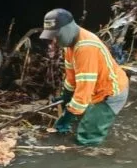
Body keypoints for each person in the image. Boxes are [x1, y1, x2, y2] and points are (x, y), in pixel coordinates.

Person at [39, 8, 129, 147]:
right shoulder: (69, 45)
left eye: (56, 35)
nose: (54, 40)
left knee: (87, 137)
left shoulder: (86, 48)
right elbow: (71, 76)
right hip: (96, 89)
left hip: (110, 93)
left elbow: (85, 89)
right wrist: (65, 96)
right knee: (80, 114)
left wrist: (67, 117)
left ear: (66, 30)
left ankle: (87, 160)